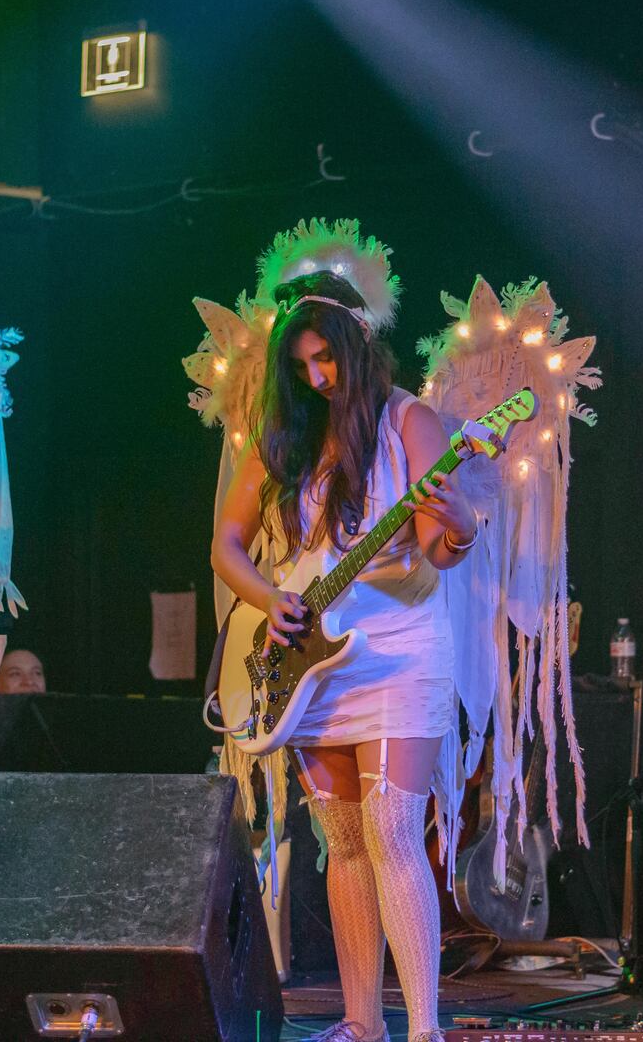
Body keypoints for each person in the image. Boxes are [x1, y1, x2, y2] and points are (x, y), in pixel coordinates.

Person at [211, 271, 478, 1042]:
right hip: (311, 658)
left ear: (360, 344)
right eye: (301, 366)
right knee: (346, 843)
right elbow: (226, 544)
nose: (317, 377)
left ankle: (423, 1028)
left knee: (394, 829)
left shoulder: (411, 422)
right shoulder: (288, 437)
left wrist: (456, 522)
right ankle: (363, 1024)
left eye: (326, 357)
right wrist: (268, 599)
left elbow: (438, 547)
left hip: (399, 650)